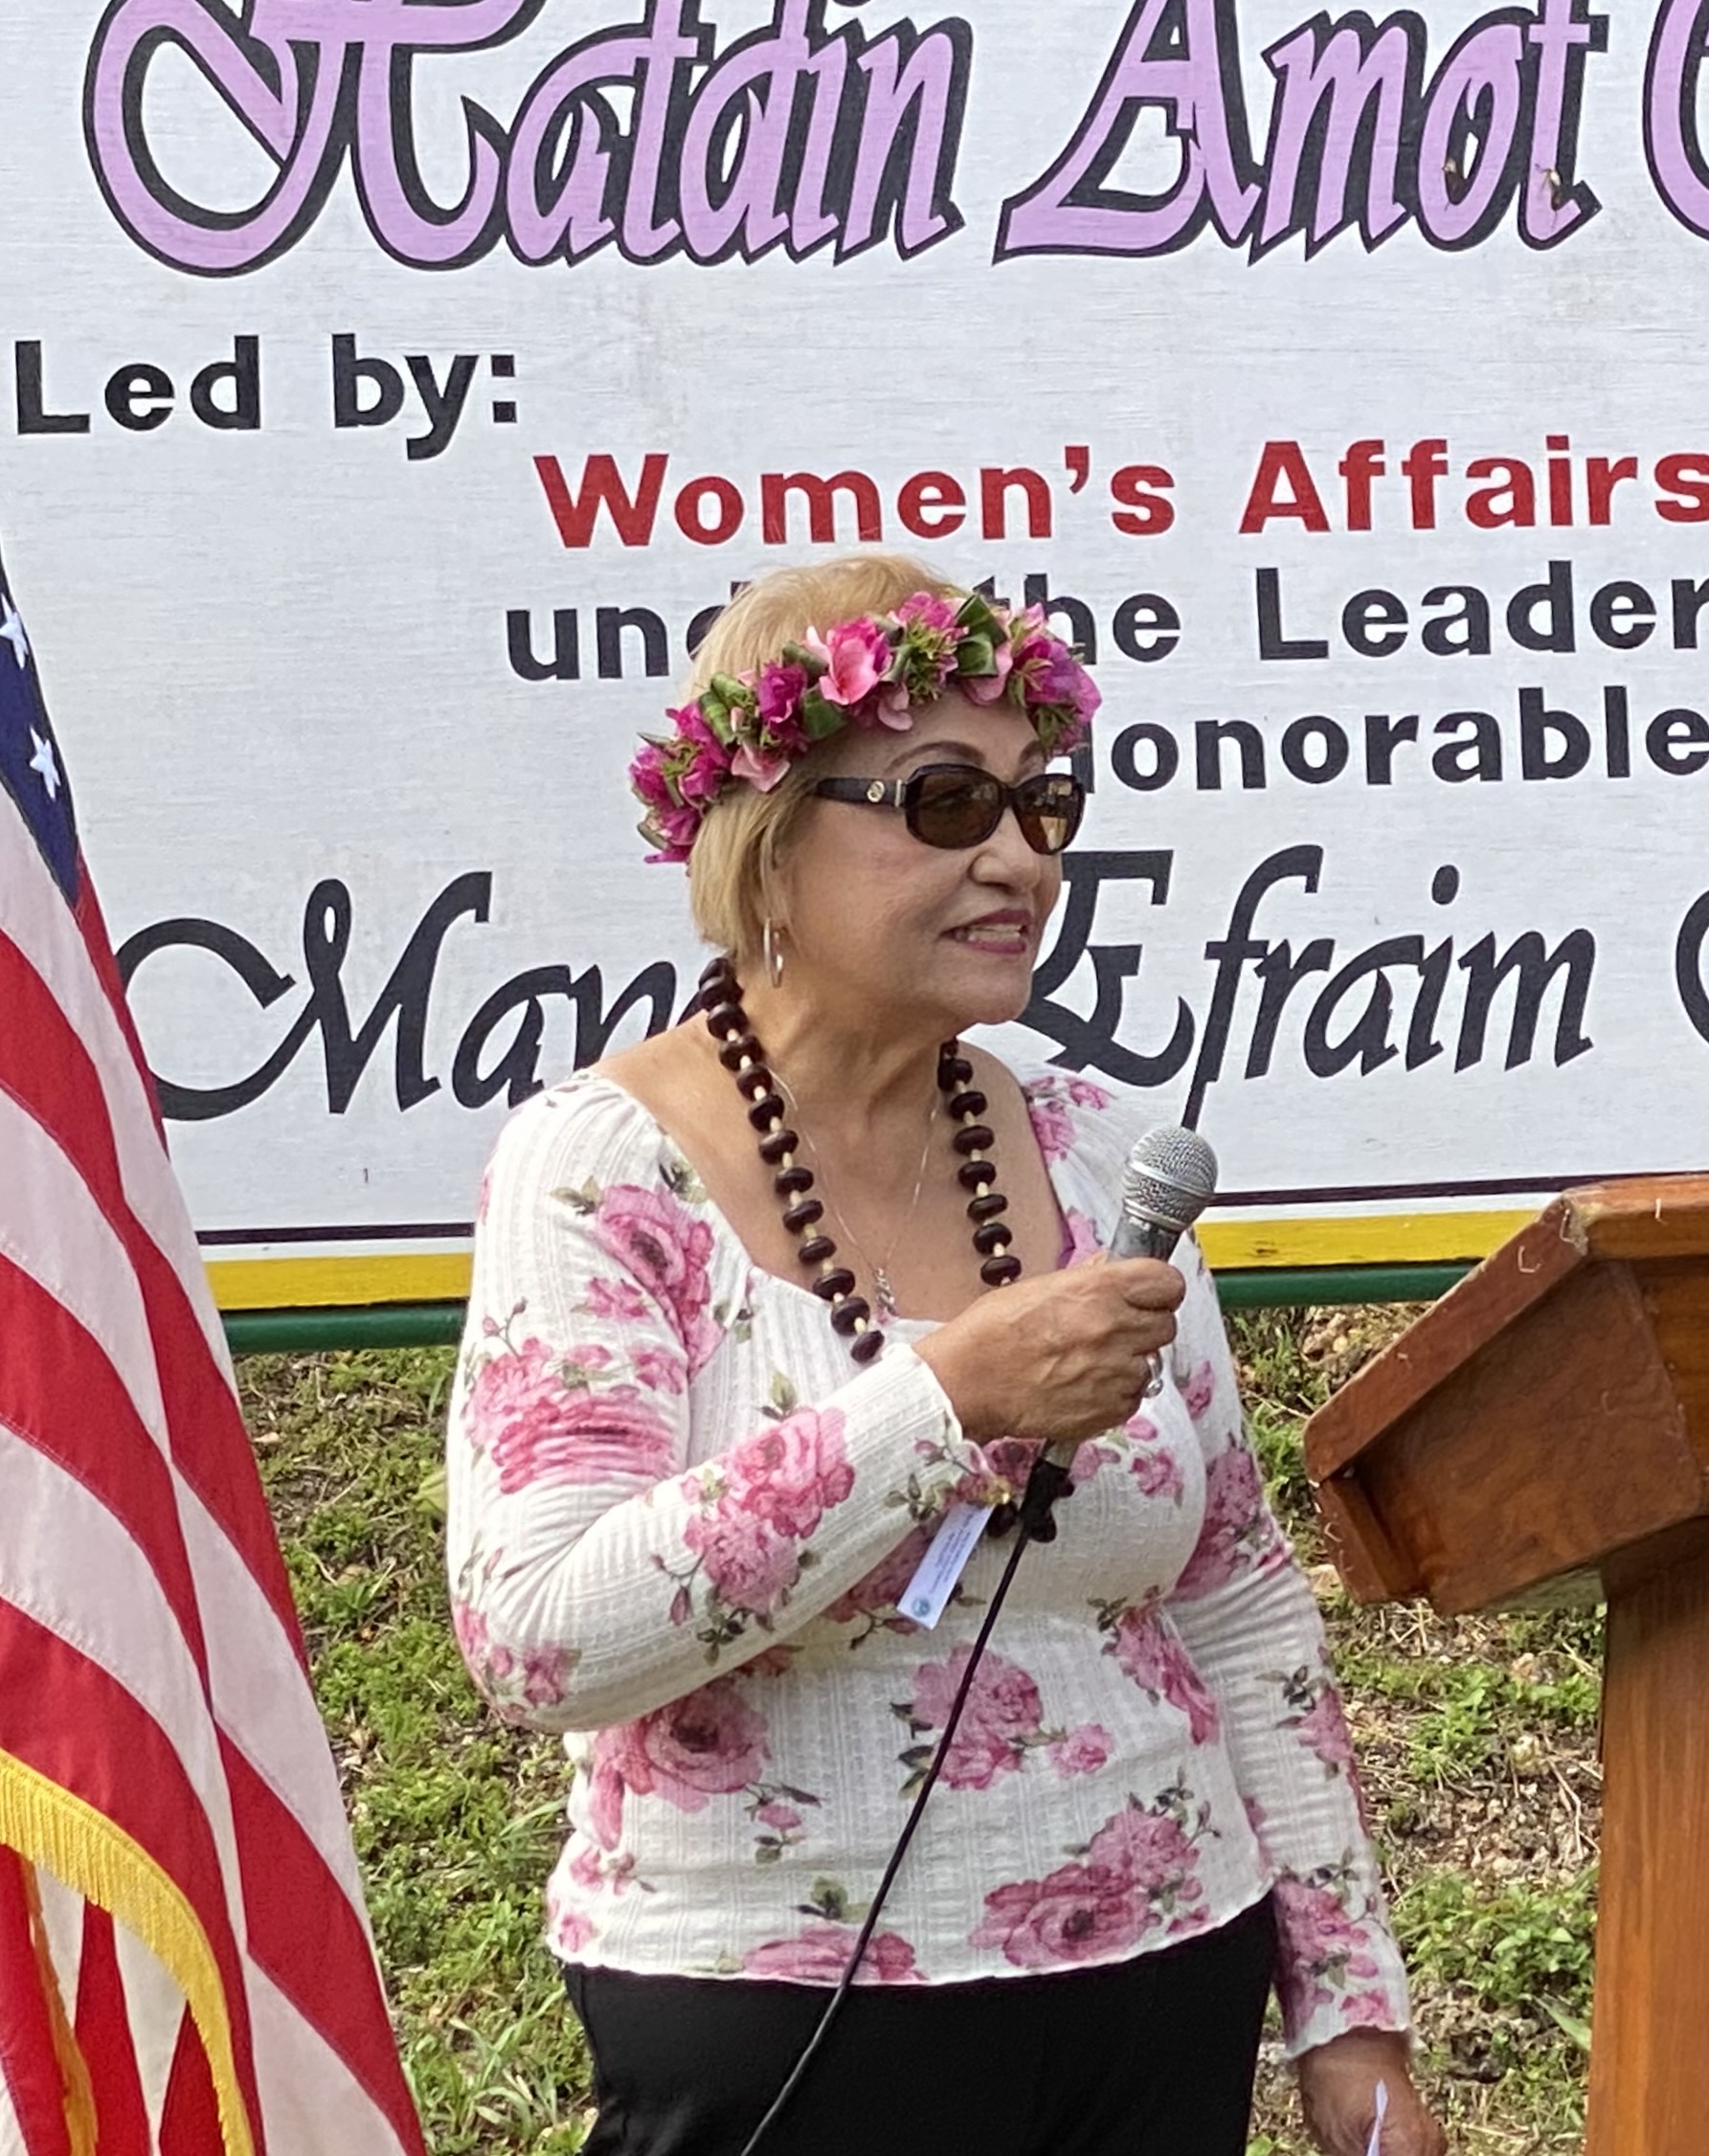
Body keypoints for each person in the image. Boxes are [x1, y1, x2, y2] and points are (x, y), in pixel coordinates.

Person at [446, 554, 1443, 2156]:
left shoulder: (1096, 1148)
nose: (1019, 860)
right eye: (941, 802)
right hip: (777, 2017)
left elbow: (1241, 1595)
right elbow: (542, 1639)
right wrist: (947, 1401)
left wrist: (1349, 2007)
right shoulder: (602, 1171)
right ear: (766, 840)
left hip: (1163, 1980)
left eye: (1040, 807)